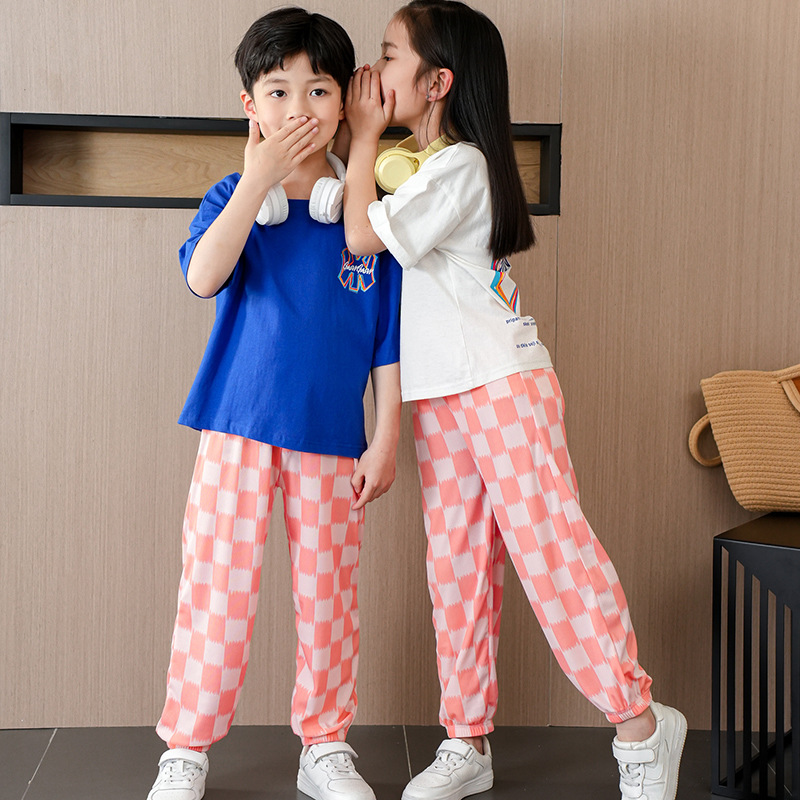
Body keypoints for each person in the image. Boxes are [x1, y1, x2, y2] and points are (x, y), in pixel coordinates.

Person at [341, 2, 686, 799]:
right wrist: (365, 149)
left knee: (551, 554)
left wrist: (360, 139)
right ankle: (467, 738)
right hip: (439, 393)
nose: (376, 72)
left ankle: (639, 726)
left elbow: (361, 236)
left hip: (500, 383)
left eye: (389, 56)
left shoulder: (460, 167)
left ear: (437, 82)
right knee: (456, 569)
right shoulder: (414, 166)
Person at [147, 8, 402, 800]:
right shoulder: (234, 197)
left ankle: (324, 744)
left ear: (344, 101)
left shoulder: (365, 219)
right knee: (215, 591)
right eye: (279, 91)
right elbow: (202, 277)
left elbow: (388, 343)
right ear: (250, 106)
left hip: (332, 437)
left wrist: (386, 436)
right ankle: (186, 748)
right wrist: (256, 182)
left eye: (318, 89)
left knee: (329, 599)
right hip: (235, 430)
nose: (299, 108)